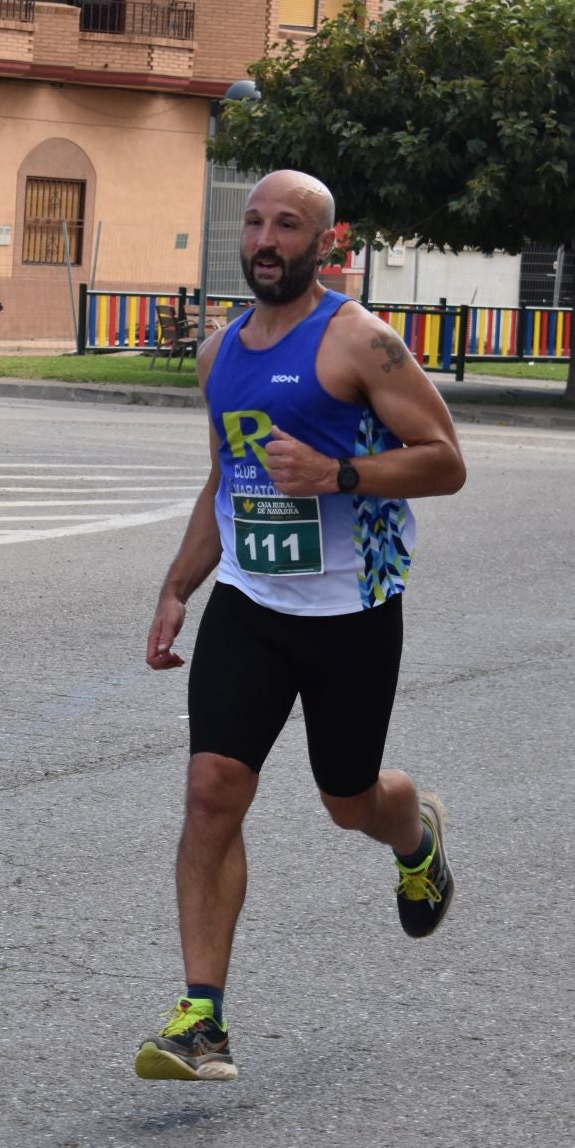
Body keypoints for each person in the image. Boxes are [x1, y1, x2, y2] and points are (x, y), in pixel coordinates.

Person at [134, 170, 467, 1082]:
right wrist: (179, 587)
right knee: (210, 791)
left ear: (330, 243)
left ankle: (415, 836)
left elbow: (445, 462)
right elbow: (225, 482)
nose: (266, 240)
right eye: (254, 223)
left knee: (347, 799)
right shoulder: (219, 355)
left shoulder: (361, 341)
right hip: (251, 602)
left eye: (288, 225)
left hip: (352, 609)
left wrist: (339, 475)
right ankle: (203, 1020)